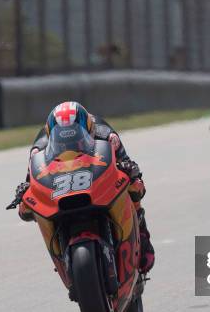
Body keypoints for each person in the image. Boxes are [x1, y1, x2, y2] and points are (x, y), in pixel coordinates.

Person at [12, 101, 155, 273]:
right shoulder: (39, 148)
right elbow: (32, 178)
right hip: (63, 184)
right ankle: (62, 255)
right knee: (26, 208)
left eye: (76, 139)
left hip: (96, 175)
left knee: (134, 186)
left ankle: (142, 235)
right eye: (62, 141)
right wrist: (25, 191)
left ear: (89, 129)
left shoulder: (106, 134)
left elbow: (126, 163)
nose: (69, 145)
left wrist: (130, 170)